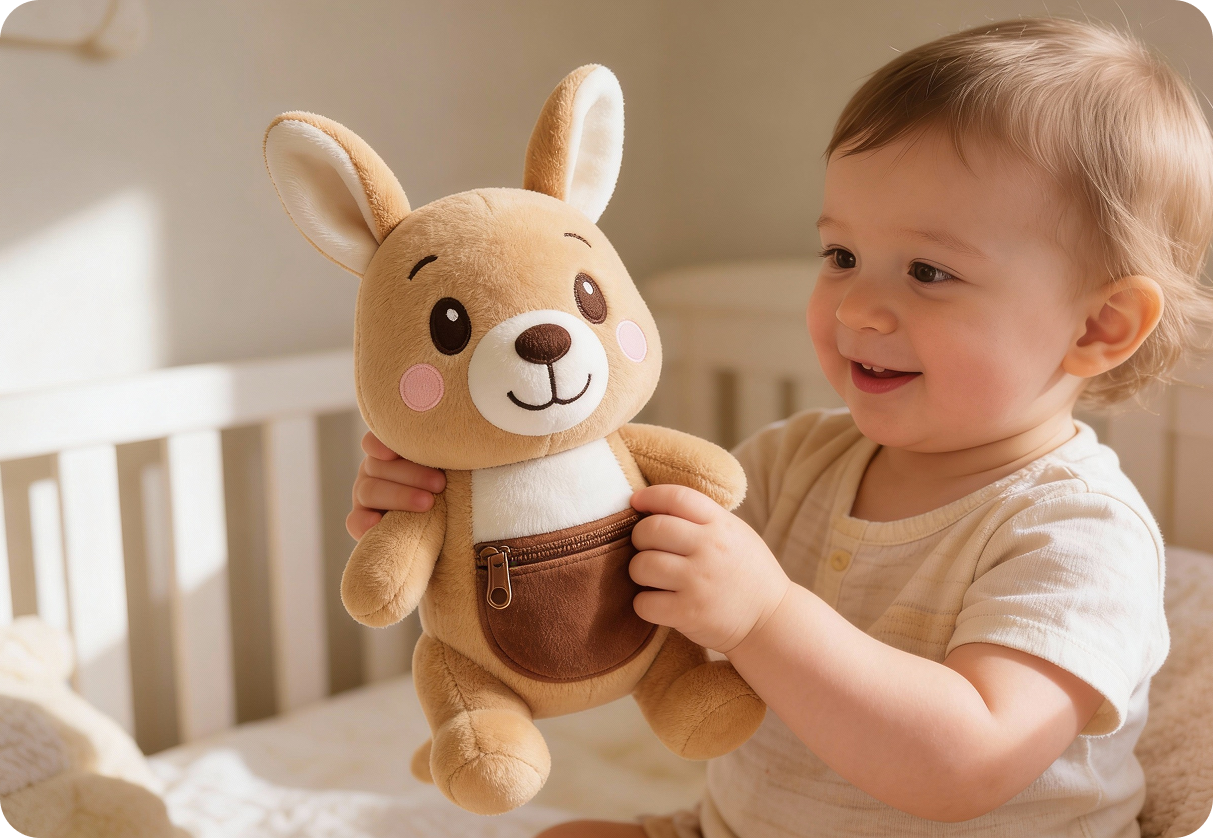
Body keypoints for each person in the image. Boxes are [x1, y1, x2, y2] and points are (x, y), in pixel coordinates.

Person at [345, 17, 1213, 838]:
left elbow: (968, 763)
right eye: (841, 256)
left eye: (927, 271)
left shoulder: (1077, 532)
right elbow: (598, 579)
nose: (857, 306)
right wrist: (459, 505)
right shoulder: (794, 460)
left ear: (1098, 326)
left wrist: (762, 615)